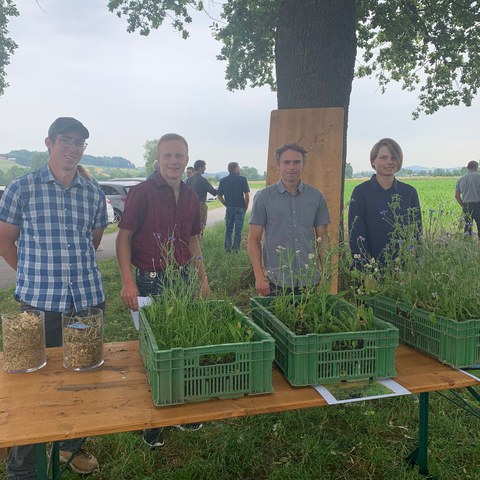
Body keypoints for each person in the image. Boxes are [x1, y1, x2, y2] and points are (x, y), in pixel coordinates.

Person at [0, 117, 107, 478]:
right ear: (49, 143)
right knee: (29, 385)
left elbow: (92, 241)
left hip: (86, 301)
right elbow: (4, 240)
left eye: (79, 143)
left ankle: (69, 447)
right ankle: (22, 466)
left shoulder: (93, 193)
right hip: (39, 304)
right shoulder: (22, 188)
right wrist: (32, 275)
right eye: (65, 140)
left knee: (81, 381)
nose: (72, 148)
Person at [116, 133, 208, 448]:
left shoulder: (193, 197)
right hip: (148, 280)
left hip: (181, 281)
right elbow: (123, 238)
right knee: (151, 352)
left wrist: (202, 278)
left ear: (187, 158)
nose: (173, 162)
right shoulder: (141, 193)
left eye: (179, 156)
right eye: (167, 156)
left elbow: (193, 240)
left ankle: (178, 410)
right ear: (158, 159)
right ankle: (152, 421)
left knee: (180, 345)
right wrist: (128, 281)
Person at [248, 143, 330, 296]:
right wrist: (259, 276)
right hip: (276, 281)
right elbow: (253, 239)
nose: (292, 167)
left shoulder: (316, 197)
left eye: (296, 162)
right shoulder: (264, 197)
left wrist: (326, 271)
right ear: (278, 165)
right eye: (286, 162)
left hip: (309, 280)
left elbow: (322, 238)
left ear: (303, 164)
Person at [348, 138, 422, 268]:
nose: (389, 161)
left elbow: (417, 231)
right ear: (373, 161)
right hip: (369, 269)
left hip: (403, 271)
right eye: (383, 157)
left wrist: (414, 265)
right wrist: (366, 271)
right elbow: (356, 234)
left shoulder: (409, 193)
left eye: (393, 157)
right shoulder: (361, 192)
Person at [217, 162, 250, 252]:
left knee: (229, 229)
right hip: (240, 207)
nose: (239, 168)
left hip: (229, 208)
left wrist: (226, 204)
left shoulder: (223, 180)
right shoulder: (242, 179)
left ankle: (227, 249)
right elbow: (247, 195)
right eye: (238, 167)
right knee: (238, 230)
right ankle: (236, 249)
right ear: (235, 168)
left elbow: (219, 196)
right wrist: (246, 206)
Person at [186, 159, 218, 234]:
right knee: (200, 226)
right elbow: (213, 192)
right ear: (200, 168)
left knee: (192, 227)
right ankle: (199, 243)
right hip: (200, 206)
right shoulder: (203, 180)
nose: (205, 169)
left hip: (189, 206)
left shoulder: (188, 180)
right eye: (204, 167)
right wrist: (220, 188)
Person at [455, 160, 480, 239]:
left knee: (468, 225)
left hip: (466, 205)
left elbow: (457, 196)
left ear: (467, 168)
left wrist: (463, 205)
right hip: (478, 205)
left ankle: (467, 243)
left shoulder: (460, 179)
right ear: (476, 167)